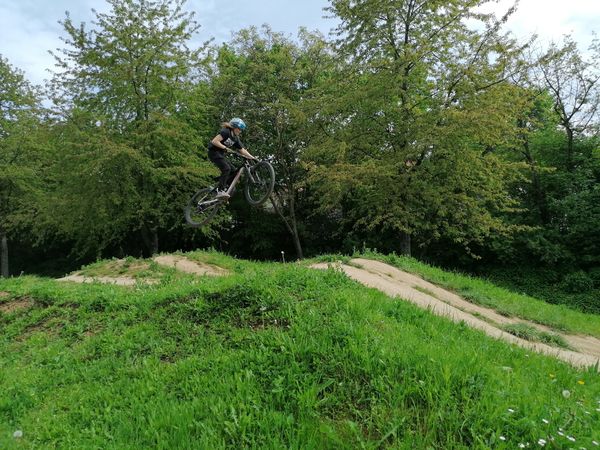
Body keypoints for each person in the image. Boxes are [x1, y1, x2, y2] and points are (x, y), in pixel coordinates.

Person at [207, 117, 256, 199]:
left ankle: (222, 186)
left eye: (241, 130)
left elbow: (242, 150)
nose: (240, 131)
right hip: (213, 153)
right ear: (234, 127)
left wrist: (253, 158)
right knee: (226, 168)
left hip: (220, 155)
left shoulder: (235, 139)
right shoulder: (226, 132)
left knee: (234, 172)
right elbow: (214, 141)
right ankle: (220, 190)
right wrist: (225, 148)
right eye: (239, 129)